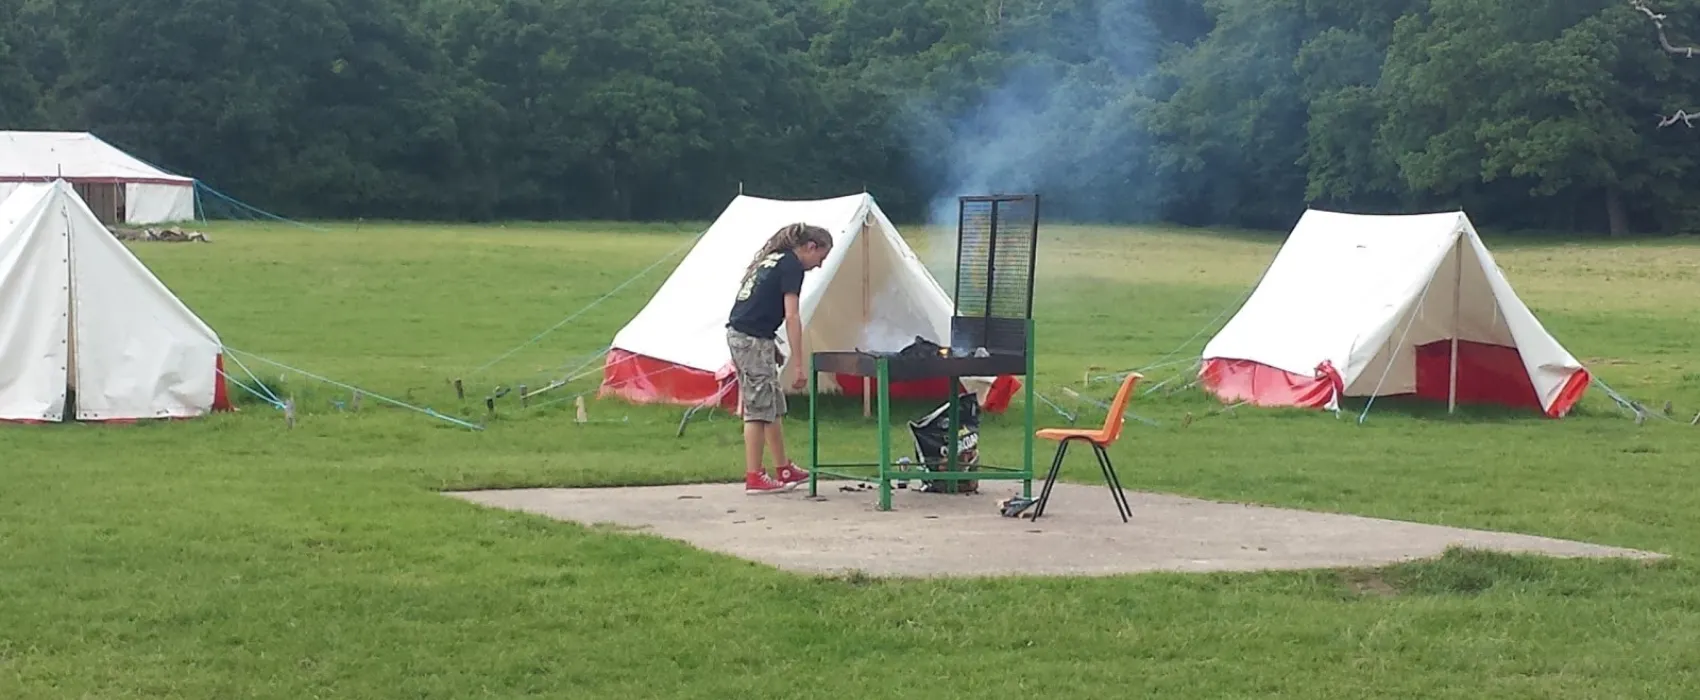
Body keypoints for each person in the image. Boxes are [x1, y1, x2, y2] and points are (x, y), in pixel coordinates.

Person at [726, 222, 834, 494]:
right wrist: (798, 364)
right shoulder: (792, 266)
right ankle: (754, 475)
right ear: (810, 247)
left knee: (772, 404)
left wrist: (770, 344)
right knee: (758, 409)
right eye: (821, 257)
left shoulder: (775, 259)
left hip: (753, 336)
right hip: (750, 340)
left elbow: (758, 305)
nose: (819, 265)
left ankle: (783, 468)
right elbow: (792, 316)